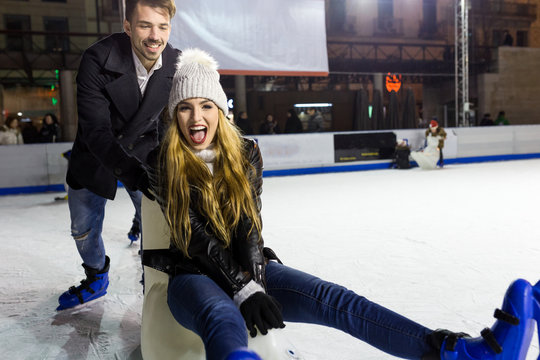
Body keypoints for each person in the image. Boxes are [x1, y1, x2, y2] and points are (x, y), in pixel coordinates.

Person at [141, 48, 539, 360]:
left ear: (219, 111)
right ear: (175, 115)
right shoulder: (164, 160)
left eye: (206, 105)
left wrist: (256, 279)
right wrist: (244, 290)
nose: (197, 116)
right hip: (192, 276)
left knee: (337, 300)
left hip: (247, 266)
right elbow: (194, 238)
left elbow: (248, 223)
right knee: (222, 318)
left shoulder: (245, 152)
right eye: (186, 107)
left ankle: (458, 351)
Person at [56, 0, 180, 311]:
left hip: (145, 154)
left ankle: (151, 279)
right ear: (127, 27)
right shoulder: (98, 59)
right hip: (95, 155)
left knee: (159, 226)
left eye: (162, 26)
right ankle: (96, 276)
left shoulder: (177, 63)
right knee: (82, 230)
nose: (155, 36)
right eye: (145, 25)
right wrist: (136, 176)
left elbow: (185, 116)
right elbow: (96, 131)